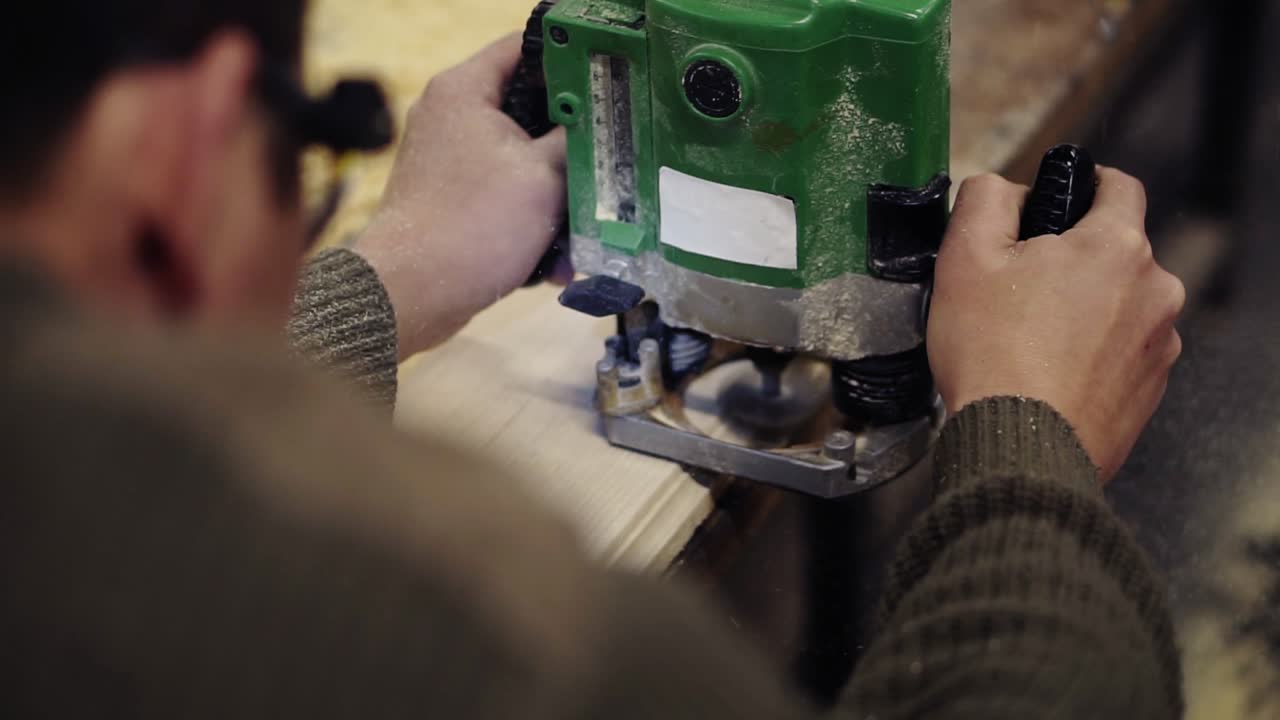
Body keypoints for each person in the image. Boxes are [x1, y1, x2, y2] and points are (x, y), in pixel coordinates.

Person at [0, 1, 1187, 718]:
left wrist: (393, 269)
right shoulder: (499, 647)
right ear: (180, 154)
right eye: (301, 171)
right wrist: (1035, 440)